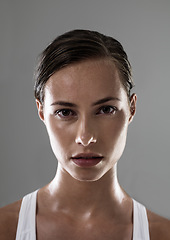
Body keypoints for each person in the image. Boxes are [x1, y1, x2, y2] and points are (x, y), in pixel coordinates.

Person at [0, 29, 169, 240]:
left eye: (106, 110)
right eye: (65, 112)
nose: (86, 137)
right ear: (41, 112)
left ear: (132, 109)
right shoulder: (5, 229)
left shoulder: (163, 234)